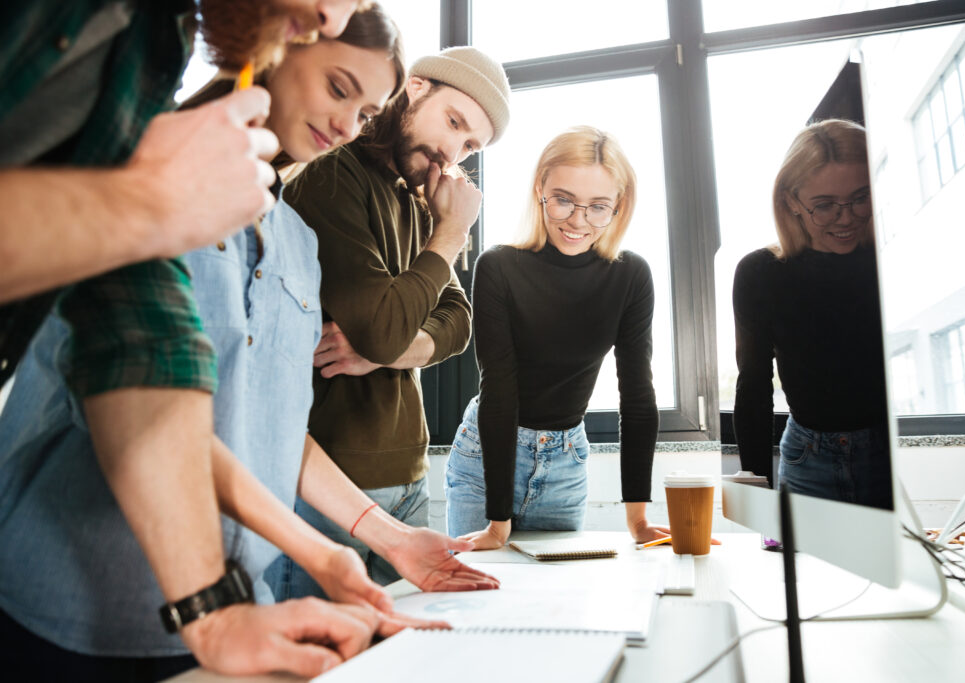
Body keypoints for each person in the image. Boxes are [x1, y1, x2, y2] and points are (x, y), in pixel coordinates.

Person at [0, 1, 406, 680]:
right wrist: (144, 203)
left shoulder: (151, 48)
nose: (335, 18)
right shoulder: (156, 142)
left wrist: (214, 608)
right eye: (340, 88)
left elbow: (141, 344)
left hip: (202, 604)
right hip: (61, 605)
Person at [269, 45, 512, 593]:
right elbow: (381, 327)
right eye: (454, 123)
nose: (452, 150)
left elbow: (458, 319)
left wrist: (393, 349)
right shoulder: (332, 174)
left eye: (469, 145)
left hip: (410, 478)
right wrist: (450, 235)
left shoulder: (415, 199)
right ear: (417, 87)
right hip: (330, 487)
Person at [445, 126, 669, 550]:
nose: (578, 221)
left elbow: (638, 397)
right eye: (564, 200)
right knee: (479, 597)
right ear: (540, 190)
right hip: (485, 455)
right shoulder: (499, 267)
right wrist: (498, 523)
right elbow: (498, 389)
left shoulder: (631, 276)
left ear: (618, 207)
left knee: (554, 596)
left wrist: (638, 519)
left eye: (598, 207)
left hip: (566, 463)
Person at [732, 118, 892, 508]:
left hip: (888, 455)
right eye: (823, 206)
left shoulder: (889, 261)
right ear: (791, 201)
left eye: (860, 198)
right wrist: (758, 490)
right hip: (808, 460)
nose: (846, 217)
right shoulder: (760, 272)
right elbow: (753, 386)